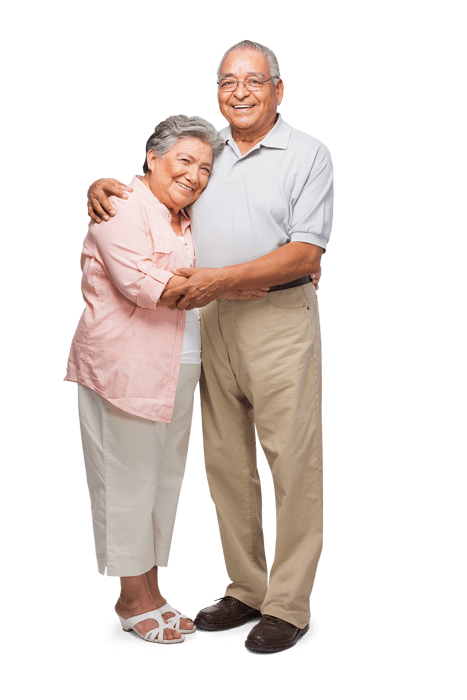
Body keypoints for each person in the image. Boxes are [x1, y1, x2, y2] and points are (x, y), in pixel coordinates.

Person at [87, 39, 334, 653]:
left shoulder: (308, 154)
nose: (240, 92)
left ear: (279, 89)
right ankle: (246, 589)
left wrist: (223, 281)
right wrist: (106, 183)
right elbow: (160, 189)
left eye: (254, 80)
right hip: (204, 324)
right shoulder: (210, 151)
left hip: (275, 318)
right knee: (225, 462)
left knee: (292, 463)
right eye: (228, 82)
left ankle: (289, 604)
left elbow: (305, 253)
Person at [65, 114, 265, 644]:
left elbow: (221, 255)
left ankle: (153, 591)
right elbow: (145, 287)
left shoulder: (188, 218)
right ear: (152, 158)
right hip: (123, 370)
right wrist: (230, 286)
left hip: (178, 367)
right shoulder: (120, 208)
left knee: (162, 484)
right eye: (184, 160)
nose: (196, 175)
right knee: (127, 483)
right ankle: (132, 599)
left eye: (205, 167)